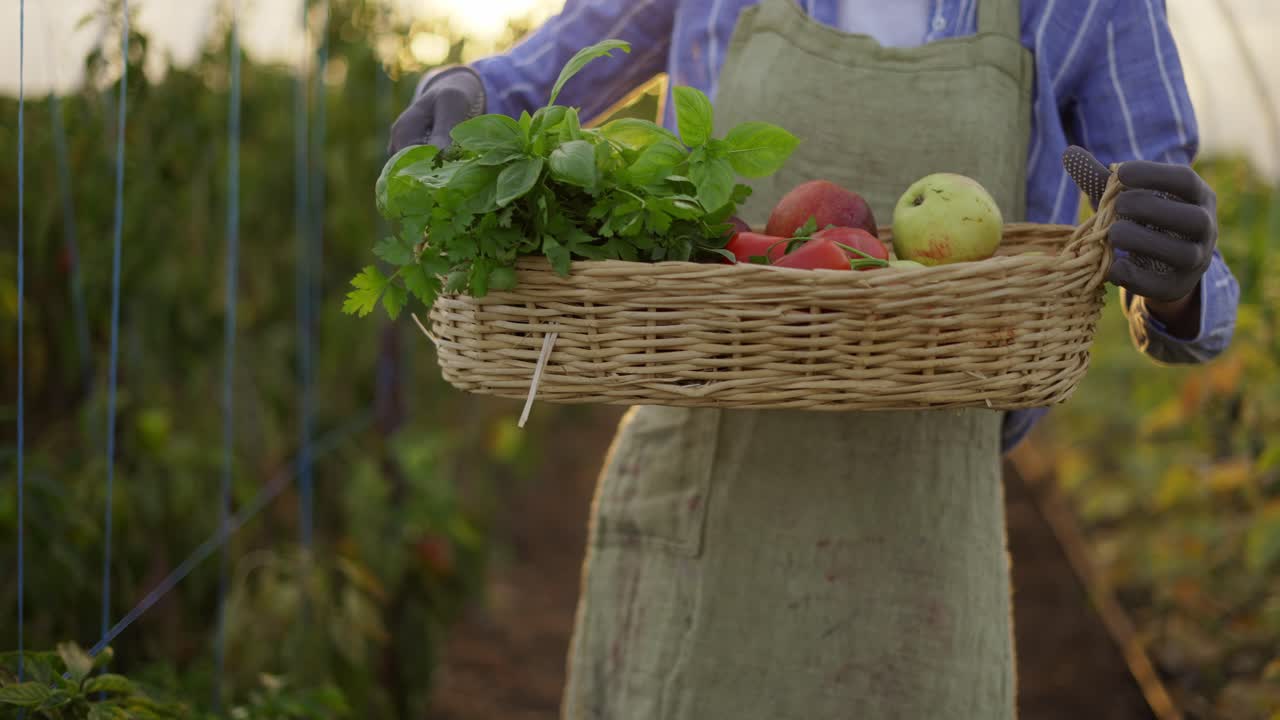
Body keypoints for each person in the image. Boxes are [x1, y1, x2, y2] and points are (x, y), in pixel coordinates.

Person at [390, 1, 1240, 717]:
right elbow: (536, 75)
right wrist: (461, 89)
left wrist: (1177, 278)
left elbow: (1167, 229)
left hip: (923, 548)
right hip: (698, 508)